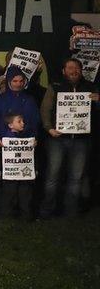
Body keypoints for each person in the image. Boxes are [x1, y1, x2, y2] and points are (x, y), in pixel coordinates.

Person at [40, 58, 99, 218]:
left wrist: (98, 101)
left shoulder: (90, 87)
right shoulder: (55, 86)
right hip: (57, 139)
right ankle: (47, 210)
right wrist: (49, 128)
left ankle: (70, 211)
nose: (74, 71)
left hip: (81, 140)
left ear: (81, 71)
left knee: (76, 177)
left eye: (77, 68)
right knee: (52, 175)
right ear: (63, 71)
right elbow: (45, 109)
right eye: (70, 68)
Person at [0, 67, 41, 217]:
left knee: (24, 181)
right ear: (9, 81)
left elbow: (35, 122)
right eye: (15, 81)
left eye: (21, 81)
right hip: (2, 146)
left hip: (24, 147)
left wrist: (33, 138)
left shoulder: (30, 100)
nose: (18, 84)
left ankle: (23, 212)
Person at [0, 112, 36, 220]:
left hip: (24, 173)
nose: (23, 123)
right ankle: (5, 217)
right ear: (10, 125)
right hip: (9, 173)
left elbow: (31, 156)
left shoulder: (28, 138)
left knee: (25, 194)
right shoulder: (4, 140)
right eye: (19, 121)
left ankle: (26, 217)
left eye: (23, 121)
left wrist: (35, 168)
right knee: (8, 194)